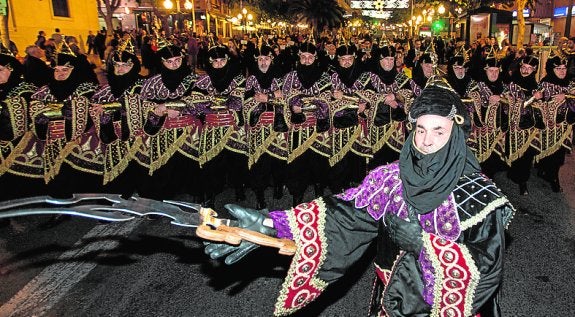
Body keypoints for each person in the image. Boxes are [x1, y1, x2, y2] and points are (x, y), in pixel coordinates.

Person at [204, 77, 515, 317]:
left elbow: (488, 267)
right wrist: (268, 226)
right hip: (392, 301)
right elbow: (344, 214)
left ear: (456, 135)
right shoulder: (391, 178)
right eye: (420, 130)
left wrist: (425, 245)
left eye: (438, 131)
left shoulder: (479, 194)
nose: (427, 141)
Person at [533, 55, 575, 192]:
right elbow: (538, 101)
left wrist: (566, 96)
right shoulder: (545, 83)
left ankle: (553, 177)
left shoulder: (570, 82)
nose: (562, 71)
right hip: (548, 126)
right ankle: (544, 171)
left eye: (564, 68)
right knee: (547, 151)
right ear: (552, 69)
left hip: (564, 127)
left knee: (559, 154)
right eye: (558, 68)